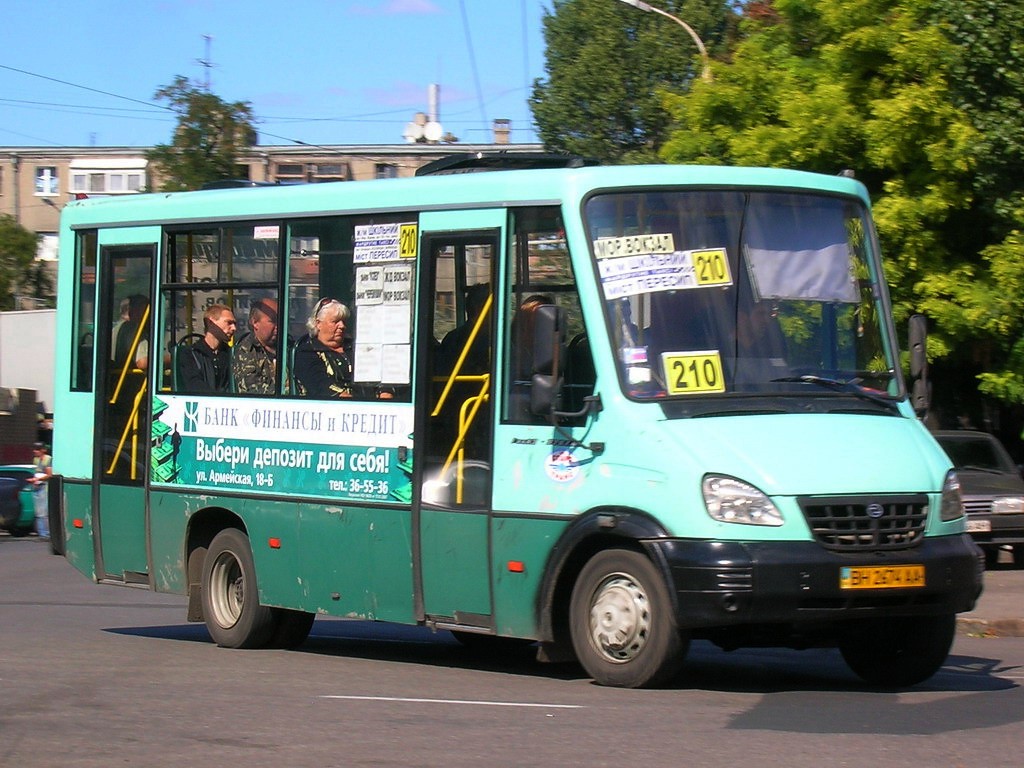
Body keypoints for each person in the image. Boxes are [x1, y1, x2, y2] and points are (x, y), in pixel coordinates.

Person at [293, 298, 357, 398]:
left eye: (344, 321)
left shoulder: (355, 347)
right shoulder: (307, 351)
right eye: (335, 321)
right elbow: (319, 384)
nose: (342, 326)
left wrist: (384, 392)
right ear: (318, 324)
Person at [176, 304, 237, 393]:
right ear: (210, 323)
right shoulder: (191, 354)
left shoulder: (231, 354)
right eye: (229, 322)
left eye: (234, 323)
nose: (234, 328)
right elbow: (194, 385)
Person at [232, 297, 281, 394]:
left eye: (281, 320)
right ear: (255, 323)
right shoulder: (246, 350)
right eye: (273, 321)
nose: (278, 326)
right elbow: (252, 390)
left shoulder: (289, 349)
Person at [30, 442, 52, 540]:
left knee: (43, 512)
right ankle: (41, 533)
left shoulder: (48, 459)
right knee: (38, 512)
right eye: (34, 449)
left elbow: (49, 474)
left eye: (38, 449)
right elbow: (36, 472)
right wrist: (33, 480)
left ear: (43, 450)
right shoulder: (36, 459)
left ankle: (45, 533)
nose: (35, 451)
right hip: (36, 486)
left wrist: (38, 479)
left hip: (44, 487)